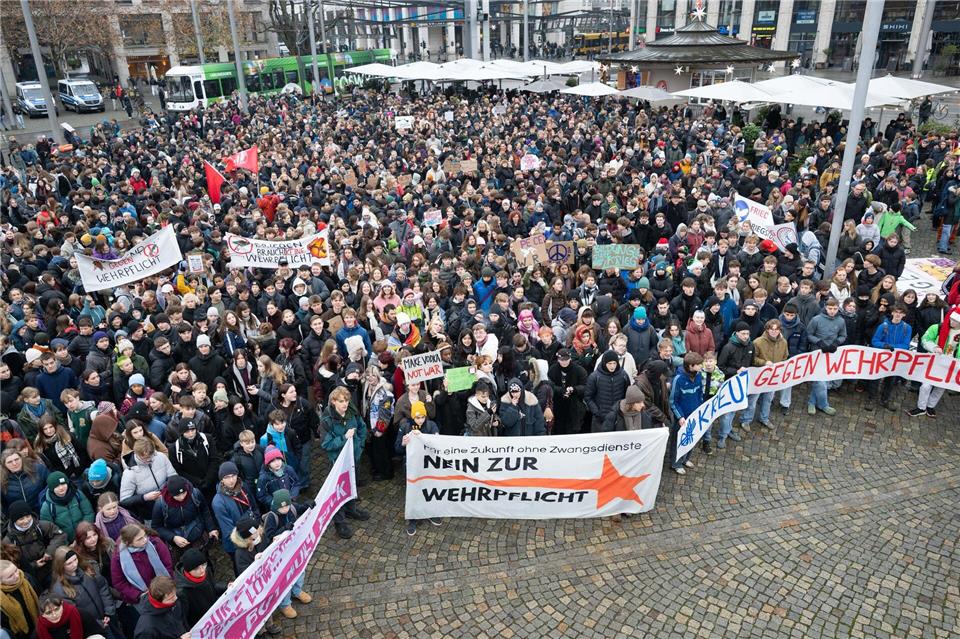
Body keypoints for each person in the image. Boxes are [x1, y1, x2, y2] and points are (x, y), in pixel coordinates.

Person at [261, 490, 313, 619]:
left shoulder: (293, 508)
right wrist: (284, 529)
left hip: (294, 548)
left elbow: (301, 508)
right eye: (281, 507)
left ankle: (297, 591)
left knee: (300, 570)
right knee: (284, 577)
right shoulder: (272, 517)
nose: (285, 509)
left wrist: (308, 504)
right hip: (280, 555)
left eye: (287, 506)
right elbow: (269, 537)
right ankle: (285, 604)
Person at [396, 400, 441, 535]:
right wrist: (403, 443)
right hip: (411, 466)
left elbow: (438, 444)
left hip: (428, 465)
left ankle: (430, 512)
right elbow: (397, 448)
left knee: (429, 489)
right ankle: (413, 518)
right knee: (413, 491)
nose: (420, 420)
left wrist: (436, 439)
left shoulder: (432, 426)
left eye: (422, 417)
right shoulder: (405, 427)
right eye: (417, 417)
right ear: (412, 417)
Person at [669, 353, 704, 475]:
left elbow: (700, 394)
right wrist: (680, 416)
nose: (701, 366)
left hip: (695, 415)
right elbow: (673, 401)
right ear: (690, 366)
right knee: (679, 440)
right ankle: (676, 463)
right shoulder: (678, 379)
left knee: (692, 437)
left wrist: (701, 409)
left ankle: (686, 459)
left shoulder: (699, 376)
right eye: (698, 365)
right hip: (683, 417)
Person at [0, 558, 41, 639]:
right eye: (10, 576)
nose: (17, 575)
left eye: (16, 570)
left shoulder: (27, 578)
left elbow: (41, 595)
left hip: (39, 624)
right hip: (19, 635)